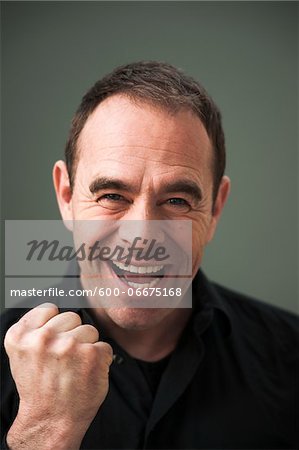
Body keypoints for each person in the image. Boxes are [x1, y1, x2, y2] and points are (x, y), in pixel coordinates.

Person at [1, 61, 298, 450]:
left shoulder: (290, 358)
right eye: (112, 196)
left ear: (215, 209)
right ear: (67, 197)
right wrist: (46, 430)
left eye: (176, 200)